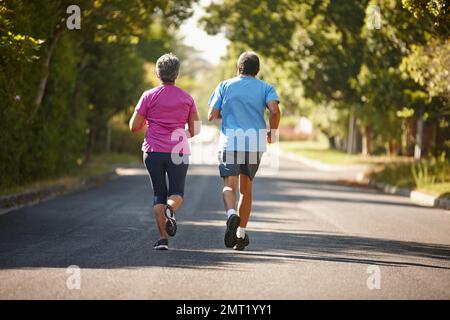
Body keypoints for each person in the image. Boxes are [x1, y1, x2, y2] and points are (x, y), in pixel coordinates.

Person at [208, 51, 281, 251]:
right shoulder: (266, 87)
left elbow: (211, 115)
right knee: (246, 190)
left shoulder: (224, 85)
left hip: (230, 141)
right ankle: (240, 235)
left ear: (238, 68)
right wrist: (272, 133)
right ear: (257, 70)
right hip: (254, 142)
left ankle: (231, 214)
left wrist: (226, 109)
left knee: (228, 186)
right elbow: (274, 111)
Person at [129, 53, 199, 250]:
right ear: (177, 74)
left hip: (153, 151)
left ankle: (162, 240)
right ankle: (171, 208)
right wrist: (180, 133)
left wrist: (148, 123)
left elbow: (134, 126)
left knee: (158, 194)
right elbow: (195, 130)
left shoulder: (148, 96)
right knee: (176, 192)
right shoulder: (187, 98)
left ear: (157, 73)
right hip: (178, 151)